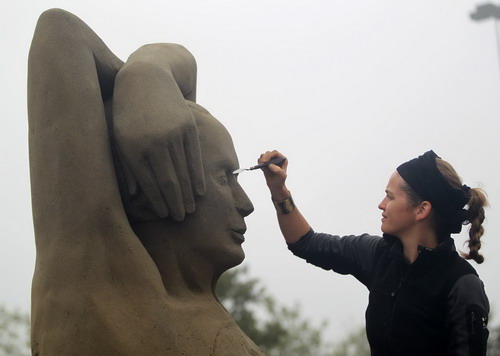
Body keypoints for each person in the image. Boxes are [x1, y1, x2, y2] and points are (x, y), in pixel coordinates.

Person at [28, 9, 262, 355]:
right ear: (151, 185)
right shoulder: (105, 290)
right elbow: (59, 34)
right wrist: (146, 73)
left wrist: (151, 71)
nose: (246, 204)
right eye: (224, 178)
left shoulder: (205, 306)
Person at [258, 150, 489, 356]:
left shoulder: (462, 284)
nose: (381, 204)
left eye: (390, 196)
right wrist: (278, 190)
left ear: (421, 209)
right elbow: (306, 243)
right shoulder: (379, 256)